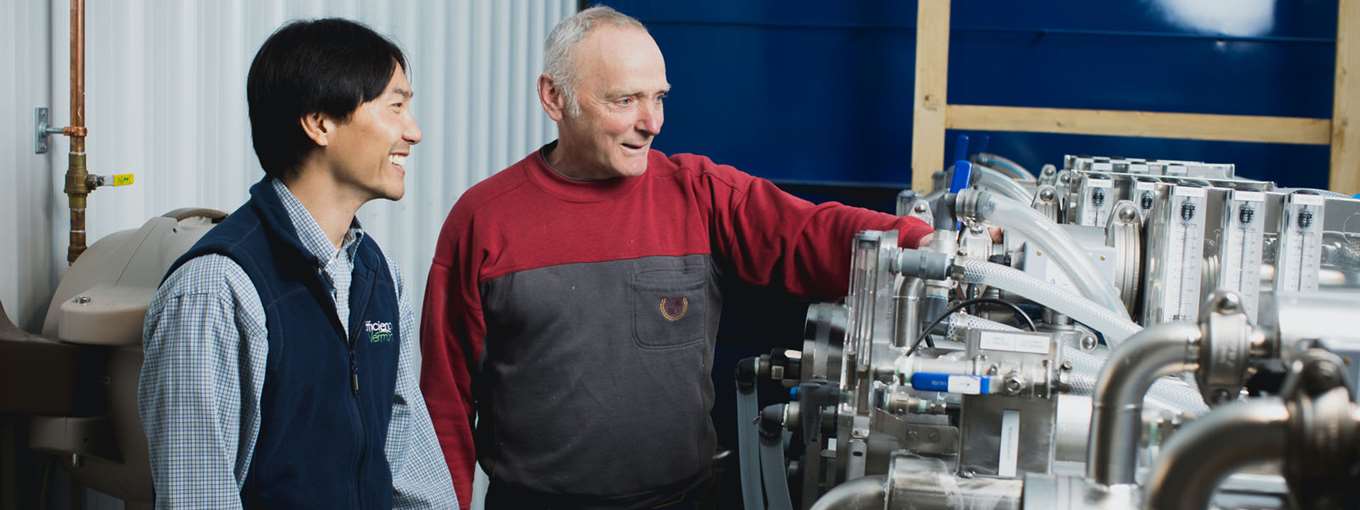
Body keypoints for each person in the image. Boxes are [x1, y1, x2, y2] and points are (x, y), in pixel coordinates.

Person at [420, 6, 933, 509]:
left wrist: (917, 242)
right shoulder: (484, 221)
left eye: (659, 98)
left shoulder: (698, 194)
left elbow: (806, 232)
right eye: (625, 100)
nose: (653, 123)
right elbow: (445, 402)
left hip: (684, 500)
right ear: (554, 98)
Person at [139, 18, 457, 509]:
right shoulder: (216, 288)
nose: (413, 132)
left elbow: (408, 457)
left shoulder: (378, 276)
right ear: (320, 122)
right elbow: (197, 495)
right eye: (396, 106)